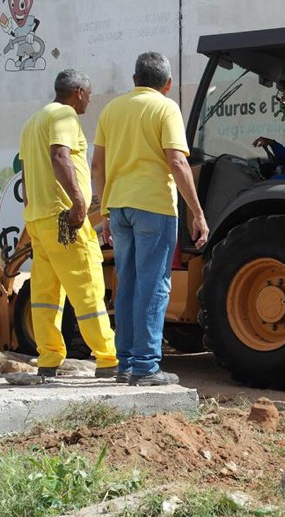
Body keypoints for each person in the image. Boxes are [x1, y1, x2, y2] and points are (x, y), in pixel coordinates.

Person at [92, 52, 209, 386]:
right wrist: (197, 213)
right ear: (168, 84)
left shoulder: (111, 110)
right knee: (154, 284)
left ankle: (126, 363)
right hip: (154, 206)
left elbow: (97, 166)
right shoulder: (165, 107)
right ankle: (146, 366)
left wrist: (105, 211)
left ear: (134, 79)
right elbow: (177, 161)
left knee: (126, 282)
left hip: (119, 207)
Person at [18, 69, 118, 378]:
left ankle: (48, 359)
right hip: (64, 220)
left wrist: (32, 209)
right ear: (77, 92)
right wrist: (78, 202)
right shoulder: (64, 117)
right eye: (88, 93)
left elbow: (27, 173)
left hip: (40, 220)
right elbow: (60, 156)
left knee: (46, 294)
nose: (89, 99)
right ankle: (108, 359)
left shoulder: (32, 122)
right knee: (88, 287)